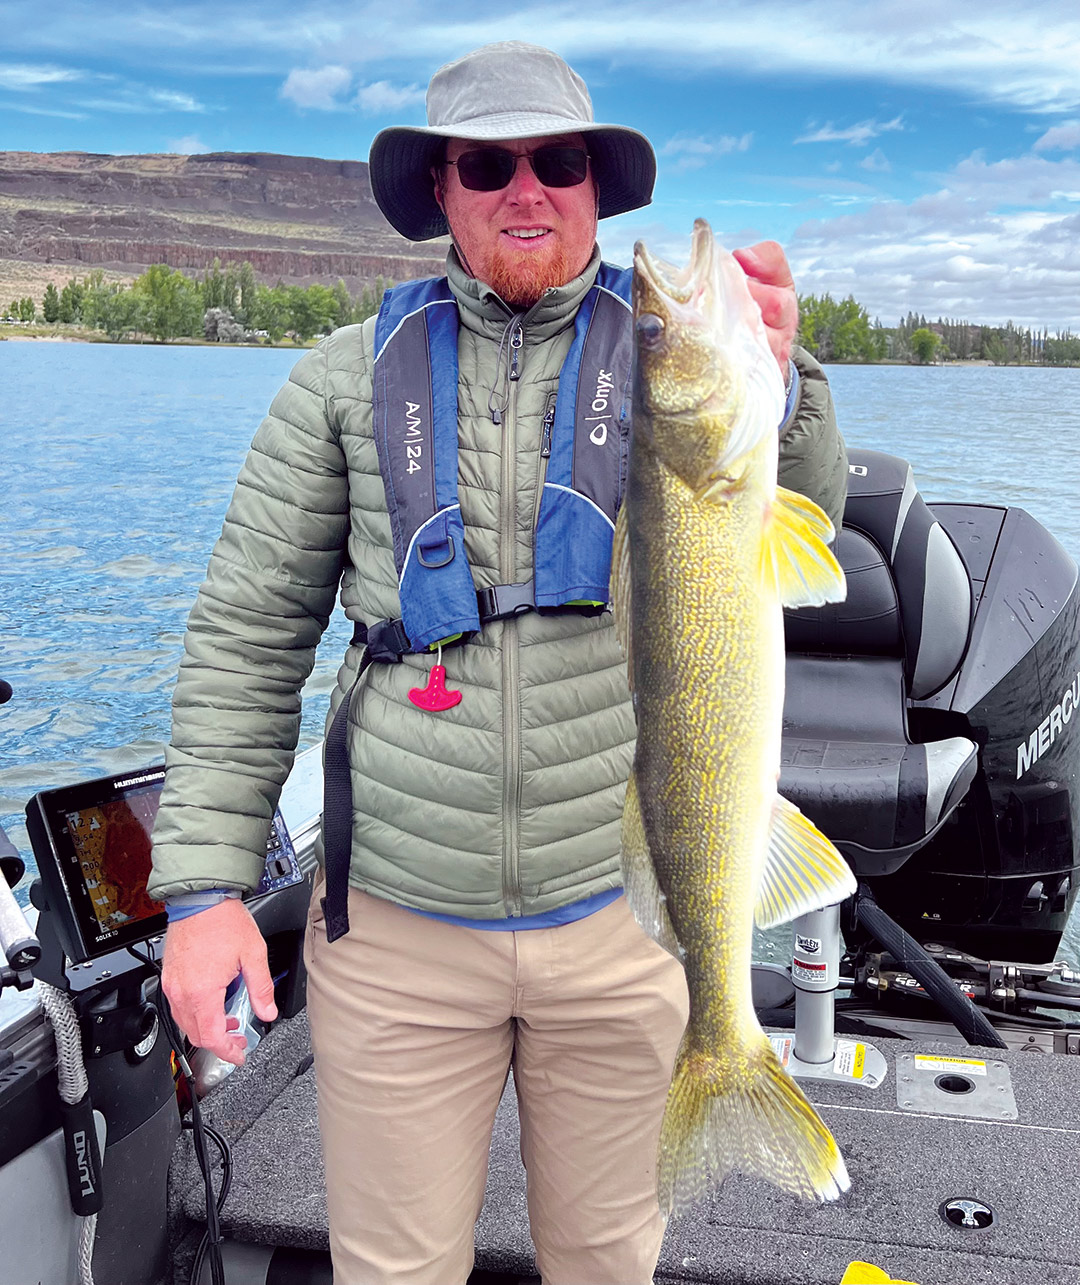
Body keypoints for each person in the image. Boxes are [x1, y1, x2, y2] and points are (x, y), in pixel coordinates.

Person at [149, 40, 848, 1285]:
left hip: (628, 922)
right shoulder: (336, 383)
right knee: (393, 1269)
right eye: (488, 164)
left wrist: (792, 395)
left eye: (560, 161)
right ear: (442, 195)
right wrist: (202, 894)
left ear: (596, 188)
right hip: (400, 938)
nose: (527, 190)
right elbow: (245, 640)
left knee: (608, 1261)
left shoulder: (685, 365)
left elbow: (798, 521)